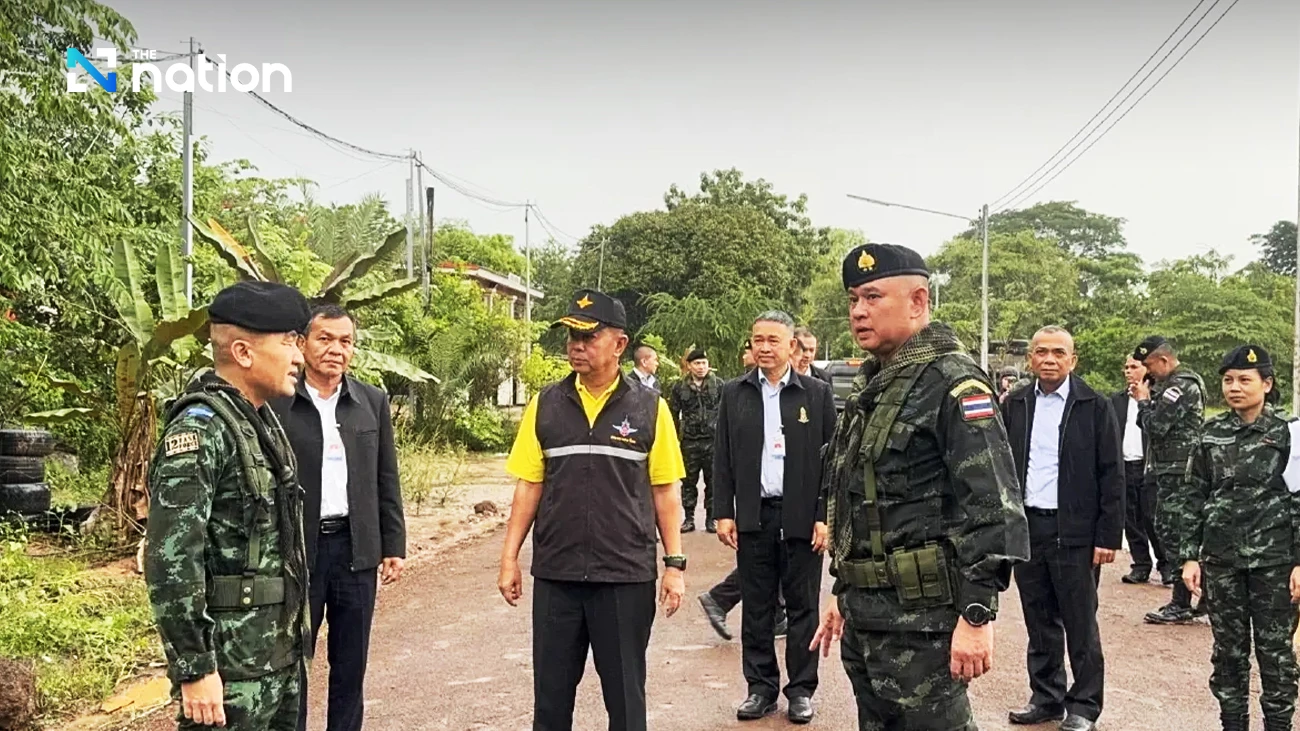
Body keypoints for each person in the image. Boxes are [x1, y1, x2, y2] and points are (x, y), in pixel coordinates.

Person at [811, 243, 1029, 730]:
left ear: (917, 301)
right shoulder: (875, 385)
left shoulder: (952, 383)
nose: (858, 311)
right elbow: (861, 502)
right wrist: (843, 592)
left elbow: (995, 507)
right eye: (853, 300)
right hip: (868, 618)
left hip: (924, 626)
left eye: (872, 297)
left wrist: (976, 615)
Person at [497, 289, 687, 731]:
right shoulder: (546, 404)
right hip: (557, 575)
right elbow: (529, 486)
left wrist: (674, 565)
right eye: (572, 337)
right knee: (550, 703)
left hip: (624, 577)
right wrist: (509, 559)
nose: (577, 346)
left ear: (619, 344)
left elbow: (665, 490)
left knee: (625, 702)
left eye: (589, 337)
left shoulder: (650, 408)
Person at [144, 281, 313, 730]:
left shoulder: (260, 423)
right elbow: (171, 559)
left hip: (276, 661)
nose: (300, 357)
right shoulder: (201, 431)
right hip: (230, 674)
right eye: (288, 342)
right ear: (242, 352)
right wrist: (195, 667)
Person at [271, 304, 407, 731]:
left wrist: (393, 545)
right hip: (298, 551)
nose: (336, 349)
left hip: (356, 550)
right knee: (294, 661)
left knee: (351, 664)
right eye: (325, 339)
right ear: (303, 343)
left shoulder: (371, 401)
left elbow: (386, 476)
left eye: (345, 341)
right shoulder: (278, 401)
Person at [713, 311, 837, 724]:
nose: (764, 348)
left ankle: (801, 690)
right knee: (757, 608)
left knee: (803, 609)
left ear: (791, 346)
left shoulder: (816, 394)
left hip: (802, 517)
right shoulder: (734, 393)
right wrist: (723, 512)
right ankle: (760, 688)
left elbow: (833, 462)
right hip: (755, 515)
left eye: (773, 340)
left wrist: (825, 515)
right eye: (758, 340)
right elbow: (722, 456)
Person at [1001, 326, 1124, 731]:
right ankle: (1047, 697)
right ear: (1030, 359)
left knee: (1080, 623)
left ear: (1073, 359)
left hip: (1076, 531)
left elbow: (1112, 473)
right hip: (1029, 527)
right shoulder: (1016, 403)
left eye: (1058, 352)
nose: (1049, 359)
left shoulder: (1094, 405)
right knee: (1039, 620)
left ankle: (1084, 706)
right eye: (1041, 352)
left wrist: (1108, 536)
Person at [1180, 344, 1299, 731]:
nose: (1234, 387)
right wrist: (1189, 556)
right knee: (1228, 654)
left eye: (1245, 380)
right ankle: (1232, 723)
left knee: (1276, 654)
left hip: (1275, 563)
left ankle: (1278, 725)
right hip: (1222, 560)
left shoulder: (1289, 433)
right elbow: (1193, 494)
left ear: (1267, 384)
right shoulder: (1210, 433)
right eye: (1228, 380)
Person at [1131, 336, 1206, 624]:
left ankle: (1181, 602)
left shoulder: (1179, 386)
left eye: (1149, 365)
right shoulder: (1172, 385)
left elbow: (1156, 426)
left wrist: (1143, 401)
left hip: (1179, 471)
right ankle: (1202, 597)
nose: (1148, 372)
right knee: (1176, 531)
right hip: (1170, 469)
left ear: (1164, 360)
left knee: (1173, 532)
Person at [1111, 357, 1165, 585]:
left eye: (1134, 367)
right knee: (1130, 519)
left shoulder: (1159, 399)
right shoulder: (1116, 400)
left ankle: (1166, 564)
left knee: (1154, 518)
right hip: (1124, 466)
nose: (1128, 371)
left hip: (1150, 466)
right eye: (1126, 367)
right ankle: (1141, 564)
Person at [667, 348, 723, 534]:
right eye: (697, 363)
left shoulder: (719, 385)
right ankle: (689, 518)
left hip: (712, 441)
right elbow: (673, 414)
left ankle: (711, 518)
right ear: (689, 366)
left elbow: (726, 413)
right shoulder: (679, 387)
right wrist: (674, 439)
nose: (701, 367)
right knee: (688, 482)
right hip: (689, 442)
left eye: (704, 363)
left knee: (713, 481)